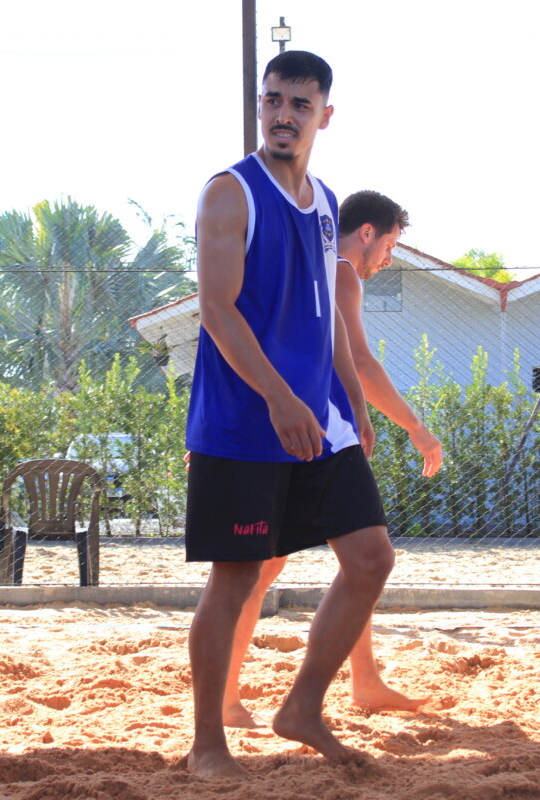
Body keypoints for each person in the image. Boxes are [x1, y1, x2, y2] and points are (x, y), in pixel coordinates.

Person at [185, 50, 394, 779]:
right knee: (236, 578)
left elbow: (328, 314)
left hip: (317, 420)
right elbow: (216, 310)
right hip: (245, 422)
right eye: (273, 100)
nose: (283, 115)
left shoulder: (328, 204)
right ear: (260, 107)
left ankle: (302, 707)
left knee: (370, 559)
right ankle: (207, 743)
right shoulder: (229, 193)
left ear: (324, 116)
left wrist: (353, 402)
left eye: (299, 104)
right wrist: (277, 395)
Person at [221, 190, 444, 730]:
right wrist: (416, 427)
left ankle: (363, 679)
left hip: (312, 434)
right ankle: (228, 699)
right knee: (264, 568)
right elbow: (360, 361)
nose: (388, 259)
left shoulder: (315, 271)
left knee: (354, 562)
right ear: (366, 232)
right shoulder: (339, 270)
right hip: (310, 437)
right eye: (389, 245)